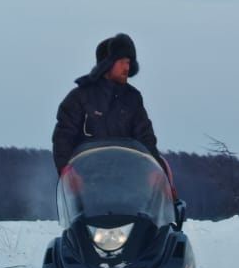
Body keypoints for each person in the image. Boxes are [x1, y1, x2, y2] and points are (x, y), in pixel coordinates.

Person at [52, 33, 160, 175]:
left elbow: (146, 138)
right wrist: (66, 169)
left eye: (128, 63)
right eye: (122, 62)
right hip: (88, 179)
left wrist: (156, 170)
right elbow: (63, 137)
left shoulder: (133, 99)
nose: (126, 68)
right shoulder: (79, 97)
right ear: (107, 65)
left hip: (127, 181)